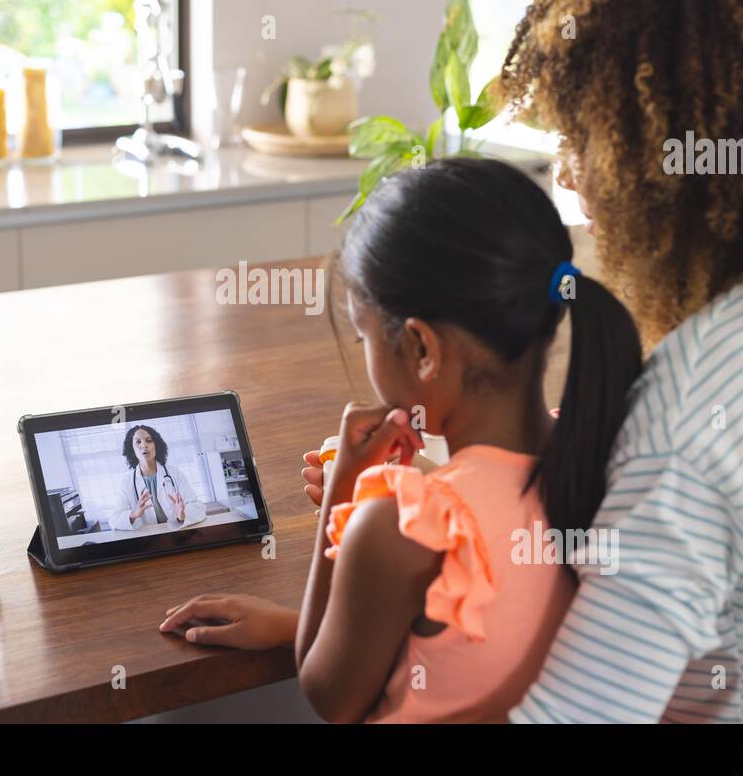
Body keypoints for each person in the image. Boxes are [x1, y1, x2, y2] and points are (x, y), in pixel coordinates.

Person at [168, 0, 743, 723]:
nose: (567, 171)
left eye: (585, 138)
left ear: (669, 161)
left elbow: (577, 714)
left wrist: (374, 565)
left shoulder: (699, 398)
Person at [175, 157, 643, 722]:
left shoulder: (396, 525)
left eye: (363, 335)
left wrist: (345, 493)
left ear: (422, 348)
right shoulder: (601, 450)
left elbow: (328, 693)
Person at [109, 424, 206, 531]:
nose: (144, 445)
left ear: (156, 445)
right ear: (132, 450)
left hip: (178, 534)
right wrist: (133, 514)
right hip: (149, 540)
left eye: (149, 440)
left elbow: (198, 507)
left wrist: (182, 515)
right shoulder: (127, 483)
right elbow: (114, 520)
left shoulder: (174, 473)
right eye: (138, 442)